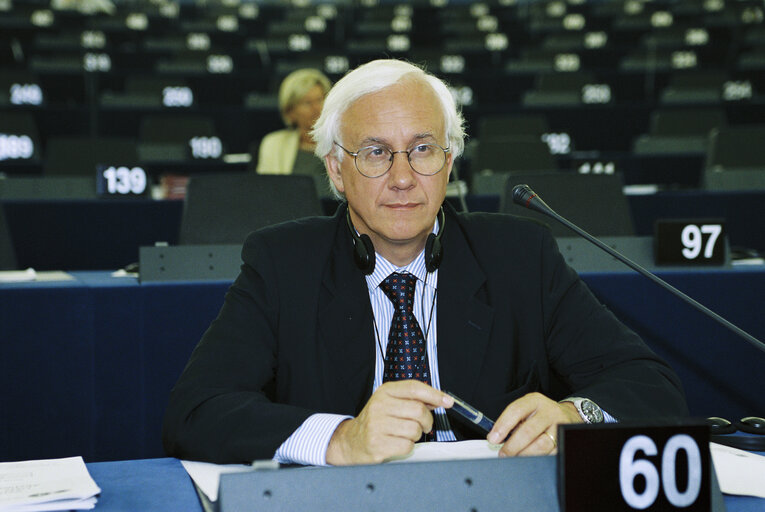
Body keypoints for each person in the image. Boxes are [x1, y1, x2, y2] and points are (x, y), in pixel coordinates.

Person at [163, 59, 687, 466]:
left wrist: (573, 415)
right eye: (374, 152)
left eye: (422, 148)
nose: (403, 177)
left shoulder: (519, 255)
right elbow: (195, 411)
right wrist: (341, 439)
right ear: (336, 170)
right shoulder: (282, 264)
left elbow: (650, 385)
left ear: (449, 162)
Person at [255, 68, 332, 197]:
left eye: (320, 100)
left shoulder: (344, 141)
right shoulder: (274, 144)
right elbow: (265, 193)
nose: (317, 108)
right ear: (290, 112)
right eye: (307, 103)